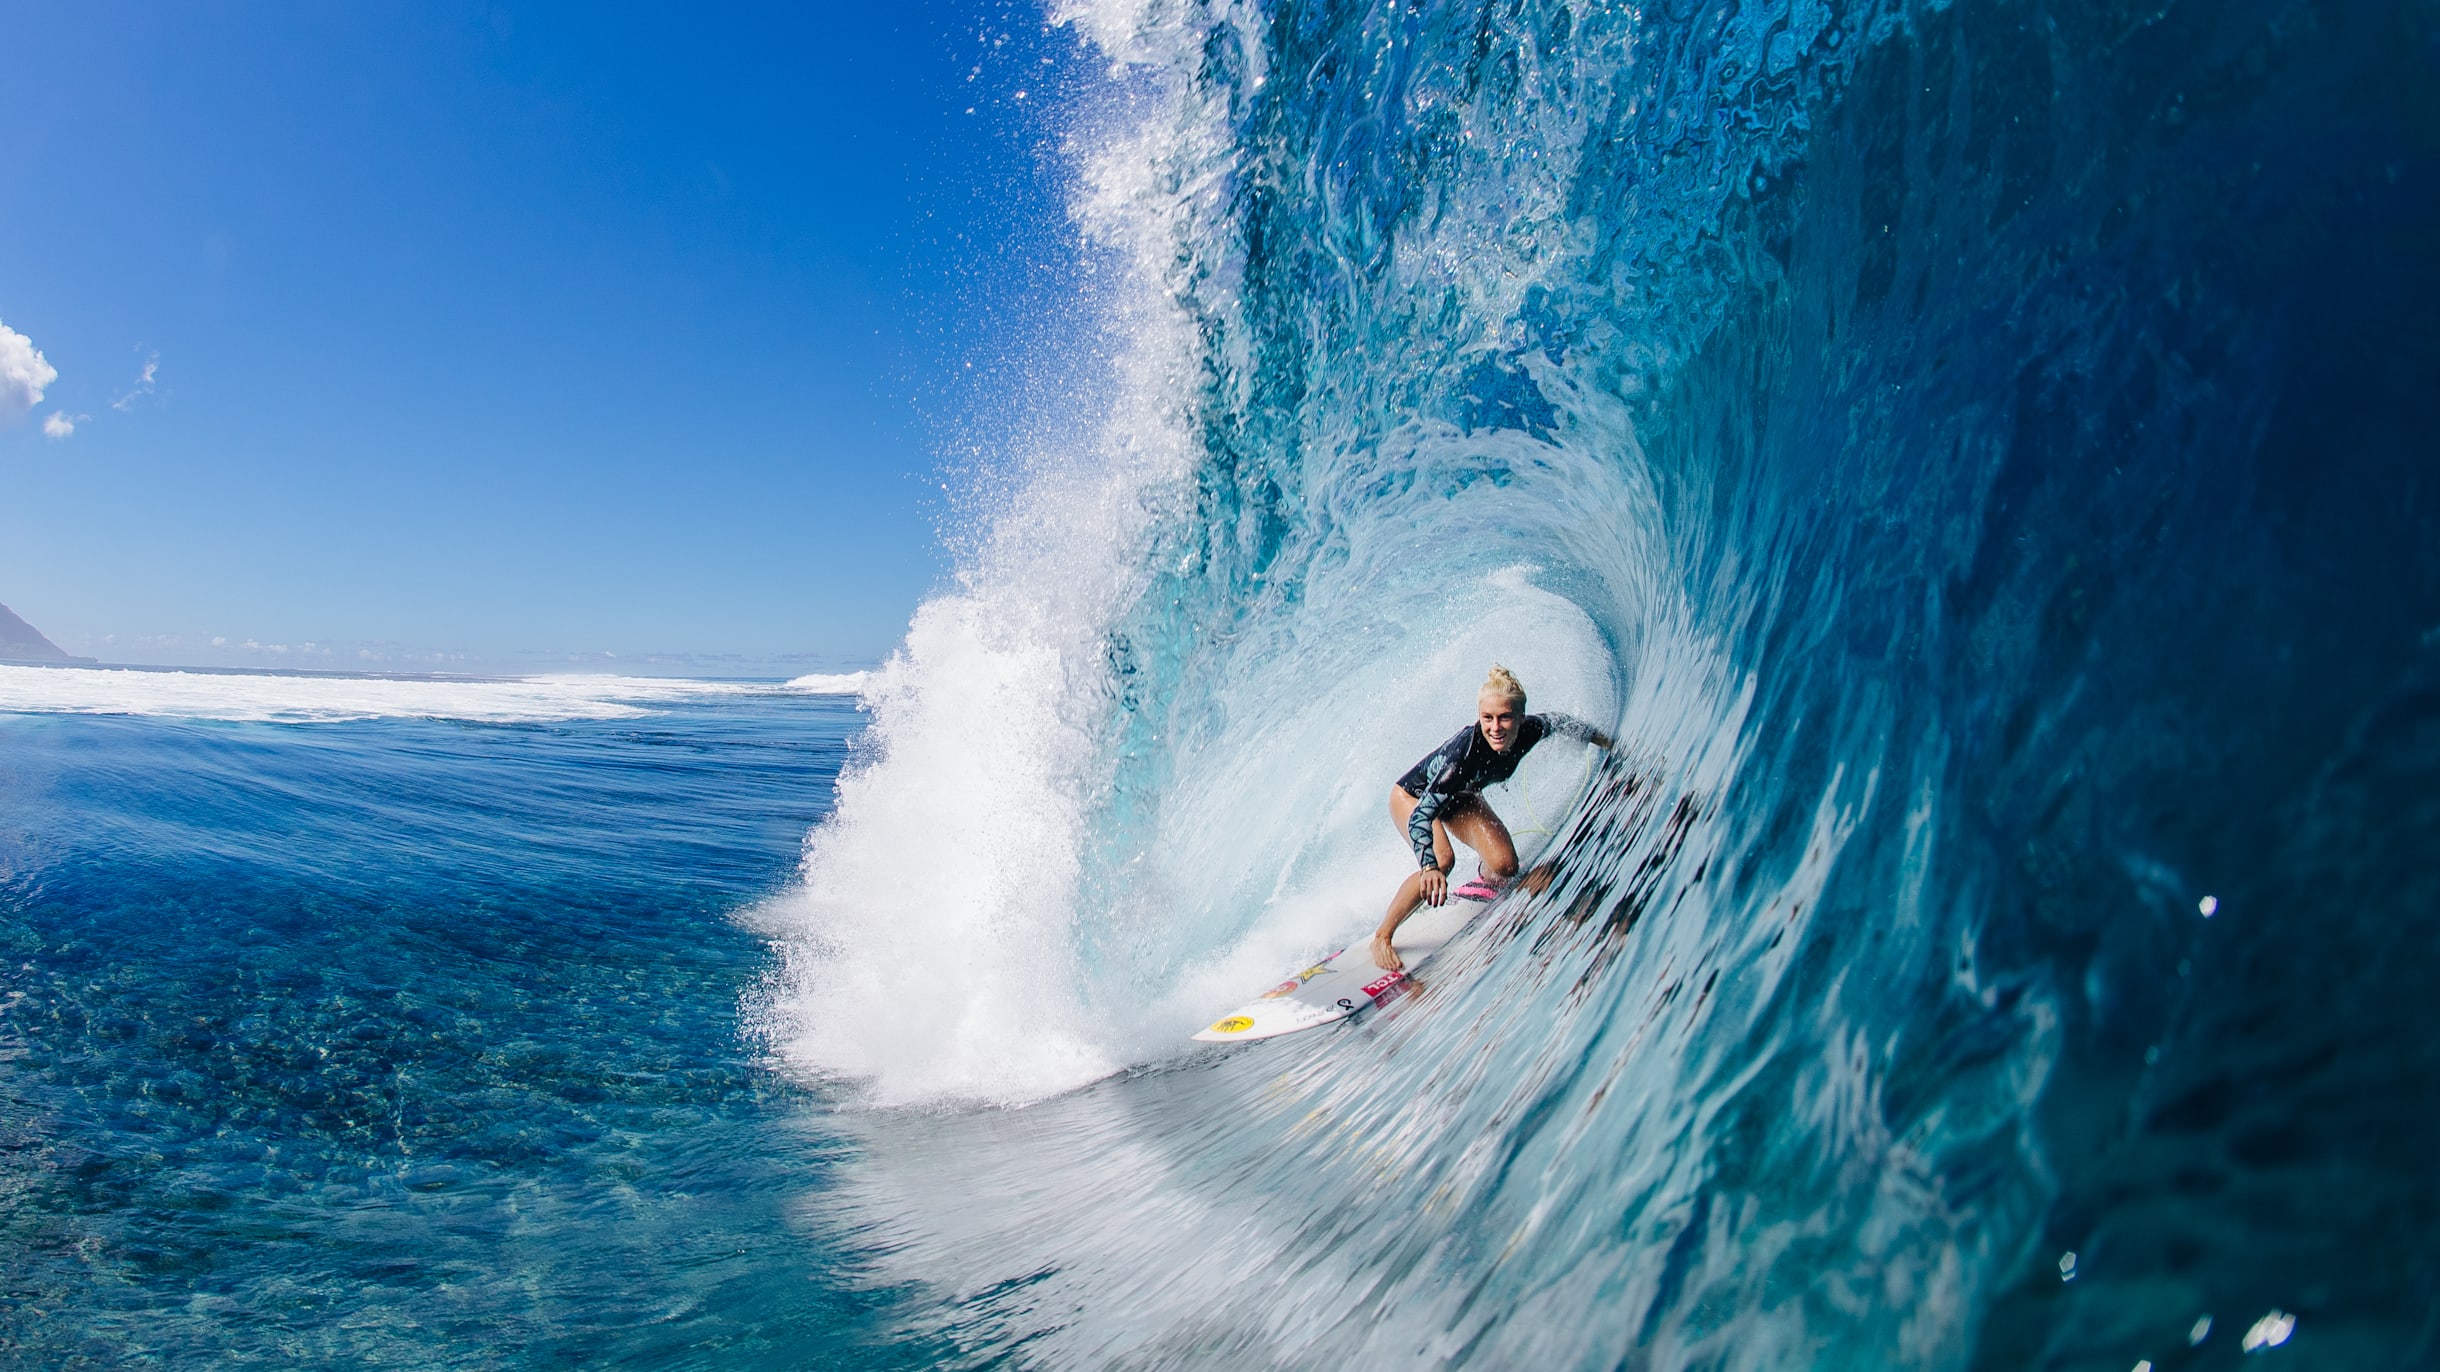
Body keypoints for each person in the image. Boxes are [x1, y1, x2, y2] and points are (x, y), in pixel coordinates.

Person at [1373, 665, 1611, 971]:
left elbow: (1563, 723)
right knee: (1444, 860)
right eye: (1487, 718)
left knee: (1506, 866)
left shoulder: (1532, 730)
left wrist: (1611, 744)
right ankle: (1382, 936)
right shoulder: (1461, 759)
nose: (1495, 727)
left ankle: (1484, 881)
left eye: (1504, 717)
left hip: (1460, 796)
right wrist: (1429, 866)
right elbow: (1422, 815)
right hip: (1415, 798)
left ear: (1520, 718)